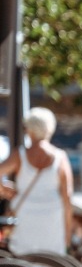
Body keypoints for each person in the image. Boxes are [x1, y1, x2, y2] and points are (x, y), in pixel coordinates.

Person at [0, 107, 73, 255]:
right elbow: (68, 196)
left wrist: (3, 189)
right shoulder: (60, 158)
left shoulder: (20, 155)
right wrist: (68, 231)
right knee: (52, 262)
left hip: (25, 216)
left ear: (30, 129)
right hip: (52, 218)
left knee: (25, 263)